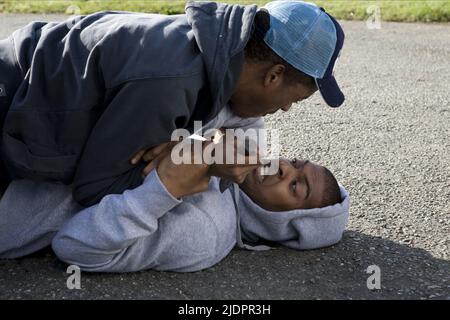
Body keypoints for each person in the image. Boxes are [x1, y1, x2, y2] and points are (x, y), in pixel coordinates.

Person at [0, 1, 345, 206]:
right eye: (295, 99)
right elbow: (95, 191)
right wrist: (194, 161)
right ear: (274, 76)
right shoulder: (171, 80)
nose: (285, 110)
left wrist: (182, 142)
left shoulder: (213, 43)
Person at [0, 146, 350, 272]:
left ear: (282, 224)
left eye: (295, 187)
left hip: (11, 198)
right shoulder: (232, 162)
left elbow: (74, 247)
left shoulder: (206, 233)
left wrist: (164, 189)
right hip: (24, 143)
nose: (284, 168)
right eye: (297, 163)